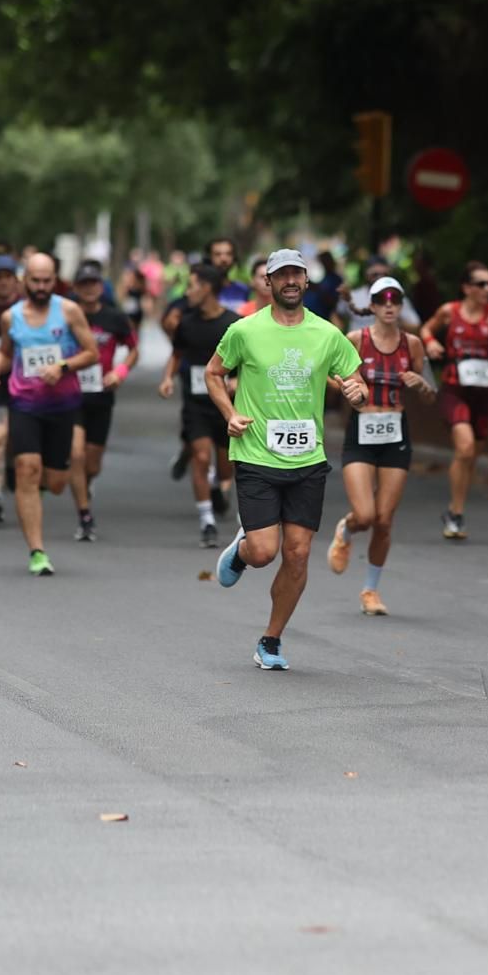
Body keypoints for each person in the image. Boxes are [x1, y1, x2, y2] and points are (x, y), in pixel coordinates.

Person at [208, 249, 369, 670]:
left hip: (306, 459)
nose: (291, 281)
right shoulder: (244, 331)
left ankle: (271, 639)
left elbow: (354, 378)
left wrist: (357, 392)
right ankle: (242, 553)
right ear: (269, 283)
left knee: (297, 554)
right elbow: (213, 373)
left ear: (307, 281)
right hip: (257, 454)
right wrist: (230, 413)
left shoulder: (327, 334)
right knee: (265, 552)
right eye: (282, 275)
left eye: (297, 273)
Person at [326, 276, 435, 614]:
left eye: (395, 300)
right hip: (361, 432)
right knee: (366, 514)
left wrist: (420, 385)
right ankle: (347, 529)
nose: (389, 305)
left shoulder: (412, 345)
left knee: (385, 520)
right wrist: (345, 385)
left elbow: (431, 395)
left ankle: (370, 591)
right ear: (371, 306)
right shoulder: (355, 340)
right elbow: (328, 375)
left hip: (395, 434)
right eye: (382, 300)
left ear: (401, 306)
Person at [0, 252, 100, 575]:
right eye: (35, 280)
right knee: (27, 467)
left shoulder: (68, 311)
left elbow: (92, 352)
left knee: (54, 482)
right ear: (25, 280)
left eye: (46, 280)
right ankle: (37, 552)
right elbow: (6, 354)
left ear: (55, 280)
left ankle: (34, 489)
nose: (40, 286)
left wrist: (63, 366)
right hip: (24, 404)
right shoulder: (11, 317)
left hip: (62, 407)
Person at [420, 261, 488, 539]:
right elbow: (426, 329)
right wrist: (431, 342)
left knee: (471, 456)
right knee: (465, 448)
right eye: (481, 284)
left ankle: (454, 509)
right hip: (455, 388)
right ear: (466, 287)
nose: (487, 289)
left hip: (485, 391)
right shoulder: (450, 311)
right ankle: (456, 513)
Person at [161, 264, 241, 547]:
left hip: (225, 407)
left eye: (192, 286)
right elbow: (177, 353)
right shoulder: (187, 323)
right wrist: (168, 378)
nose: (188, 292)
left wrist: (236, 384)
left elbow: (248, 365)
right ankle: (207, 521)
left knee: (224, 468)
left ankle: (219, 488)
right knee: (201, 458)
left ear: (207, 288)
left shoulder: (234, 324)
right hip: (195, 405)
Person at [69, 261, 139, 541]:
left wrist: (119, 372)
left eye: (93, 283)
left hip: (101, 395)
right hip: (70, 394)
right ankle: (84, 515)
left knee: (92, 464)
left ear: (101, 287)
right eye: (83, 284)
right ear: (76, 288)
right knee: (75, 455)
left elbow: (133, 349)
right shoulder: (66, 315)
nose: (89, 289)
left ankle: (85, 486)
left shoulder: (114, 318)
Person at [0, 253, 23, 524]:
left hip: (27, 384)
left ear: (16, 281)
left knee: (13, 440)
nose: (2, 283)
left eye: (7, 278)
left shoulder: (27, 310)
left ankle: (12, 469)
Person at [339, 256, 420, 332]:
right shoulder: (354, 296)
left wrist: (393, 318)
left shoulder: (397, 299)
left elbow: (415, 325)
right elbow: (337, 313)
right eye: (375, 275)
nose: (379, 278)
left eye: (384, 275)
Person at [206, 237, 251, 314]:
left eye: (229, 254)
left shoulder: (243, 290)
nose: (224, 258)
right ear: (209, 257)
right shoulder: (201, 290)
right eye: (217, 254)